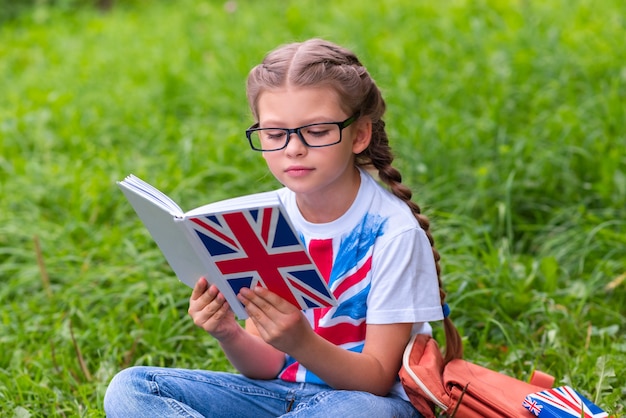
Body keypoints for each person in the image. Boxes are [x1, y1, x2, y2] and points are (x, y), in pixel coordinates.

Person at [104, 38, 463, 417]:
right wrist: (228, 332)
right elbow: (269, 366)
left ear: (359, 135)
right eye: (275, 135)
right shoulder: (261, 221)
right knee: (131, 389)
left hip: (363, 402)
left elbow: (376, 379)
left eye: (318, 131)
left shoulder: (392, 232)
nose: (293, 149)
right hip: (277, 396)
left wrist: (301, 341)